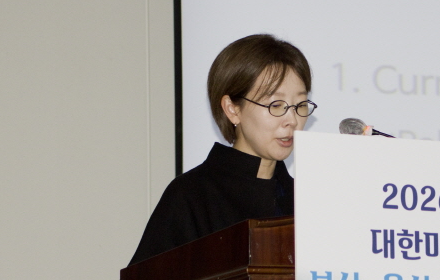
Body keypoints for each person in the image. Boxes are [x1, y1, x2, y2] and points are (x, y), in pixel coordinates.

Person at [128, 34, 315, 265]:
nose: (292, 120)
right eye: (276, 105)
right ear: (232, 109)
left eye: (300, 105)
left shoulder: (306, 200)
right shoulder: (192, 196)